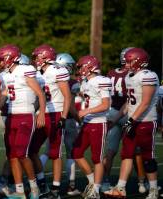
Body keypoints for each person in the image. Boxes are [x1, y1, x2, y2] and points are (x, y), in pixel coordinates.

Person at [105, 48, 159, 199]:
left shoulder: (149, 75)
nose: (126, 64)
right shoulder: (130, 76)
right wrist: (114, 119)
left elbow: (145, 103)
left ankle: (153, 189)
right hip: (133, 120)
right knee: (126, 154)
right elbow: (128, 103)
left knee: (148, 156)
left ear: (138, 61)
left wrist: (130, 120)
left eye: (129, 61)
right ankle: (121, 188)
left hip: (146, 121)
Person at [0, 44, 46, 199]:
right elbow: (4, 95)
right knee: (11, 154)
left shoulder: (25, 70)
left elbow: (40, 94)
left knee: (22, 153)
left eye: (2, 59)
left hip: (26, 115)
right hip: (11, 116)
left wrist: (41, 113)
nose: (0, 63)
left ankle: (34, 188)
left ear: (11, 58)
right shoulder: (5, 75)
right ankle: (19, 191)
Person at [29, 45, 72, 199]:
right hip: (42, 114)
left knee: (55, 153)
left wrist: (64, 117)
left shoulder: (57, 71)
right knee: (31, 150)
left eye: (37, 57)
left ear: (46, 57)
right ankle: (42, 182)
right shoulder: (38, 73)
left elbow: (67, 96)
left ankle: (56, 188)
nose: (35, 60)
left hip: (56, 114)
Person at [72, 55, 111, 199]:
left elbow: (106, 105)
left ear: (90, 67)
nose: (80, 69)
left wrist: (86, 111)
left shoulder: (101, 81)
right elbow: (87, 96)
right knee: (76, 152)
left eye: (82, 66)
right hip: (88, 123)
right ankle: (92, 182)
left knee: (97, 158)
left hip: (99, 123)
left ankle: (96, 189)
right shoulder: (85, 82)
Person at [101, 47, 133, 192]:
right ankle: (142, 182)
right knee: (134, 151)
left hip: (112, 112)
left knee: (110, 150)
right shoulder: (133, 74)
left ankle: (104, 180)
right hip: (127, 112)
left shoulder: (111, 73)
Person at [55, 53, 81, 196]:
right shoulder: (71, 83)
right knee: (71, 153)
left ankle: (39, 181)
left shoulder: (50, 78)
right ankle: (71, 187)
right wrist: (78, 119)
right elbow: (70, 105)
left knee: (50, 152)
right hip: (68, 118)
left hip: (53, 117)